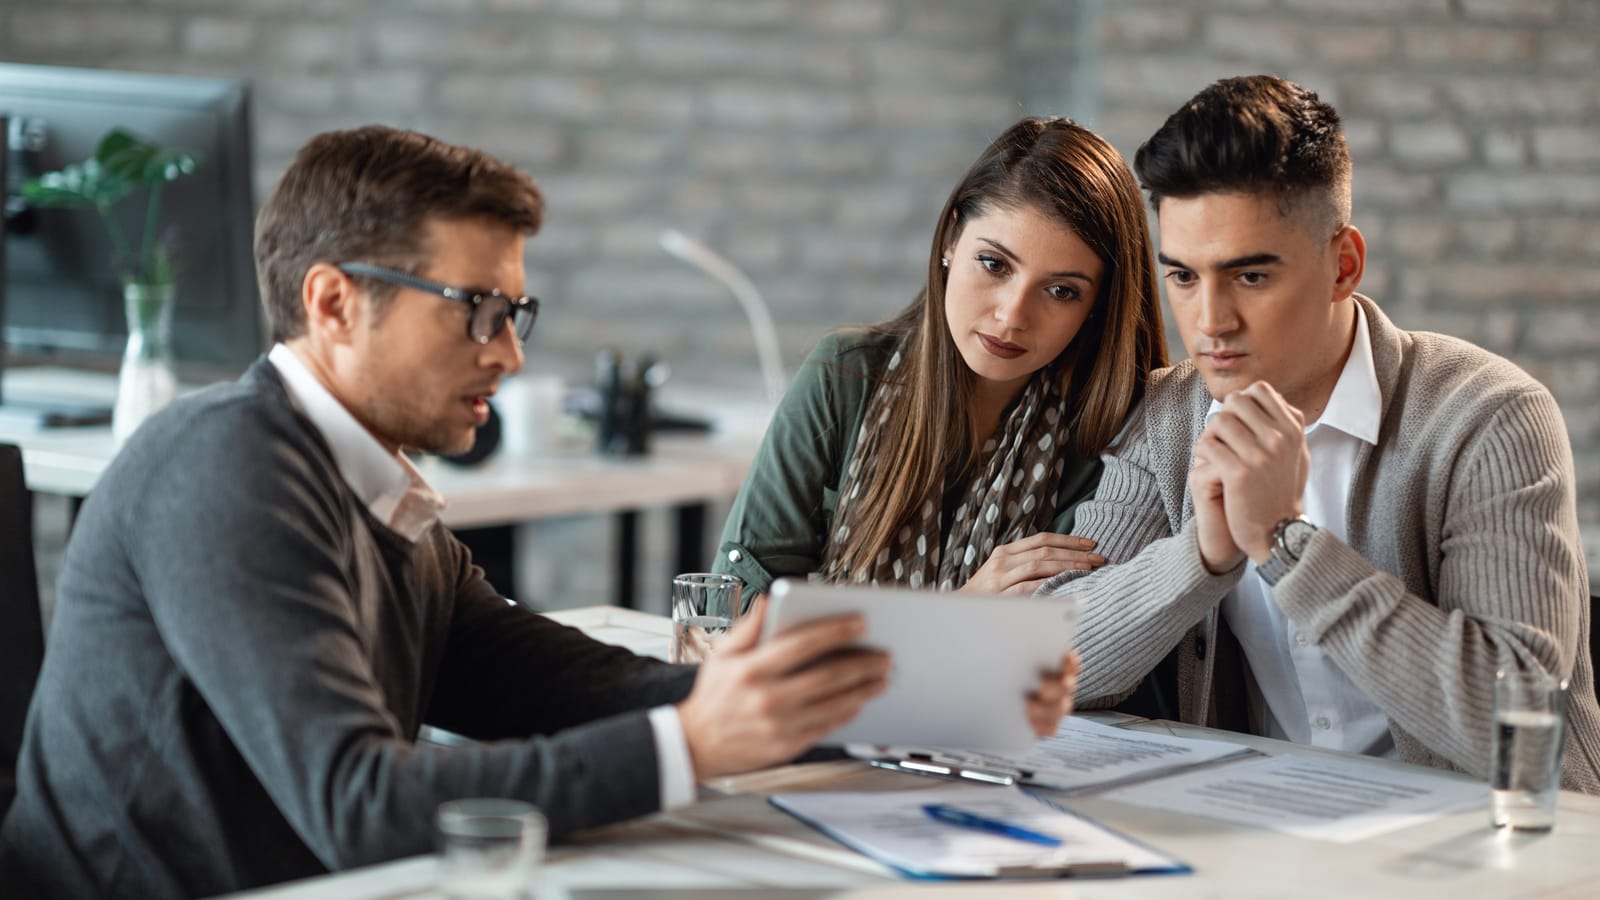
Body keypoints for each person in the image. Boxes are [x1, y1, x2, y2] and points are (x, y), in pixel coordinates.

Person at [0, 126, 1082, 899]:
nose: (511, 352)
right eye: (477, 310)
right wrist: (694, 742)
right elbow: (360, 800)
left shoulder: (385, 499)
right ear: (333, 304)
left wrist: (851, 694)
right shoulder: (226, 467)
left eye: (516, 312)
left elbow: (556, 682)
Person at [1038, 75, 1600, 791]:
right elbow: (1046, 665)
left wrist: (1287, 546)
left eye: (1248, 276)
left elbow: (1523, 725)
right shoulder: (1167, 419)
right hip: (1265, 833)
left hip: (1489, 851)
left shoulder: (1490, 418)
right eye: (1182, 277)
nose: (1210, 322)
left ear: (1343, 264)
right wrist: (1203, 554)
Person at [714, 117, 1168, 599]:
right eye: (994, 264)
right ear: (952, 239)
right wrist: (966, 607)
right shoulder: (845, 376)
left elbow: (1078, 649)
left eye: (1061, 291)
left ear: (1099, 303)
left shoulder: (1118, 429)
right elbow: (733, 610)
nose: (1012, 315)